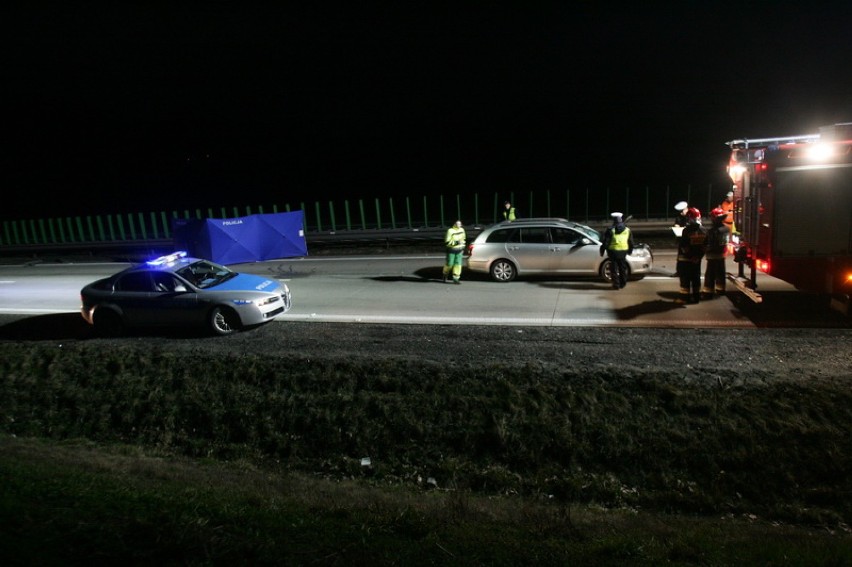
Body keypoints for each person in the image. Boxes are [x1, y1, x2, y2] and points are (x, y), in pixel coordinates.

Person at [675, 207, 707, 304]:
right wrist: (698, 257)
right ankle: (696, 298)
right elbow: (705, 246)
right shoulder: (704, 230)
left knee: (685, 280)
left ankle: (684, 298)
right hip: (697, 260)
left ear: (689, 218)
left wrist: (690, 256)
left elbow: (684, 246)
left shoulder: (686, 230)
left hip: (686, 260)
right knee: (696, 278)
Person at [600, 212, 634, 290]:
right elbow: (631, 242)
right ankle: (623, 284)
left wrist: (602, 250)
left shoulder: (610, 230)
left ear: (614, 220)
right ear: (621, 220)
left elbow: (606, 242)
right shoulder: (627, 230)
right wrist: (630, 251)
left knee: (614, 269)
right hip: (623, 251)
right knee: (622, 268)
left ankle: (616, 285)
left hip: (613, 252)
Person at [701, 207, 730, 298]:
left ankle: (708, 292)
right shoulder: (726, 229)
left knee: (710, 274)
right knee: (721, 273)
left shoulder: (713, 231)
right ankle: (721, 289)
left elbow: (710, 244)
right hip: (722, 254)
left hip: (713, 255)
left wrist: (705, 249)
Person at [442, 220, 466, 284]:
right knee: (450, 264)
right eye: (458, 224)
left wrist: (463, 248)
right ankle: (445, 274)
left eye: (460, 224)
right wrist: (457, 242)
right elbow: (447, 242)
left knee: (458, 264)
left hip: (459, 250)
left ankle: (456, 278)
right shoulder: (450, 231)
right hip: (451, 250)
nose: (459, 225)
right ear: (454, 224)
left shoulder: (462, 230)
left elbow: (463, 240)